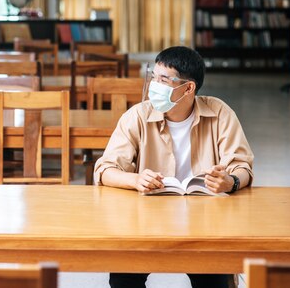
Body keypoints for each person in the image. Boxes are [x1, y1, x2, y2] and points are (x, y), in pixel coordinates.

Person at [93, 46, 254, 288]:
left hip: (204, 224)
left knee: (215, 281)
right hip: (144, 222)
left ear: (188, 88)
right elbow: (104, 169)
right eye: (153, 76)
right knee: (123, 279)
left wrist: (229, 182)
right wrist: (135, 180)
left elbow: (242, 167)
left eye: (163, 79)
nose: (153, 86)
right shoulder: (137, 115)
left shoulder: (219, 112)